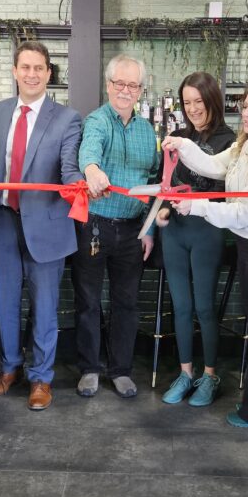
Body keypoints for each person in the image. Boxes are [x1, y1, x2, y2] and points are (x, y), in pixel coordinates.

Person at [163, 80, 248, 428]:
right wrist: (181, 143)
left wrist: (196, 208)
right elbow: (212, 165)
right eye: (246, 106)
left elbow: (243, 213)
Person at [0, 41, 83, 411]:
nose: (32, 74)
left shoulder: (68, 118)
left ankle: (41, 377)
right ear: (15, 71)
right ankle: (9, 369)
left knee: (44, 306)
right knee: (4, 302)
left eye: (39, 68)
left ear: (49, 74)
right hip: (4, 221)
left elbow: (69, 168)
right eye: (25, 67)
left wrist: (80, 187)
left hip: (47, 223)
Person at [73, 54, 160, 399]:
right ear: (108, 85)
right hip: (94, 226)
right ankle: (90, 368)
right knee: (89, 301)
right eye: (119, 83)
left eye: (133, 85)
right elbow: (88, 152)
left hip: (132, 231)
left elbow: (155, 182)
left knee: (126, 302)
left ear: (140, 90)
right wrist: (92, 170)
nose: (126, 90)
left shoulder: (147, 130)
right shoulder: (96, 121)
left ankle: (120, 369)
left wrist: (149, 230)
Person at [156, 72, 235, 407]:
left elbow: (225, 192)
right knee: (182, 306)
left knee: (204, 306)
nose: (192, 109)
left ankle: (210, 375)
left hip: (207, 231)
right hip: (174, 231)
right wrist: (160, 208)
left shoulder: (230, 141)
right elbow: (165, 181)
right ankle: (186, 373)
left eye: (197, 102)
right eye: (186, 102)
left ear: (211, 100)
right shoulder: (178, 137)